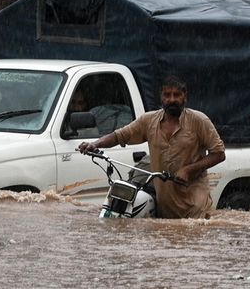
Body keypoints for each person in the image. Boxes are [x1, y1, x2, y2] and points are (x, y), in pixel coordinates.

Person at [78, 75, 225, 219]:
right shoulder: (148, 121)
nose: (172, 99)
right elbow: (119, 135)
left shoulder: (199, 121)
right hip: (165, 207)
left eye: (177, 95)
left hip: (195, 208)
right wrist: (94, 144)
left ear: (185, 96)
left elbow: (219, 153)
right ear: (161, 97)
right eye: (167, 95)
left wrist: (188, 170)